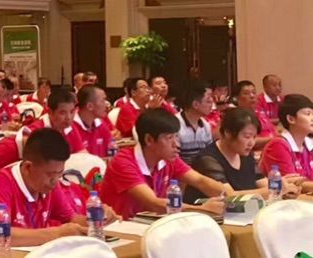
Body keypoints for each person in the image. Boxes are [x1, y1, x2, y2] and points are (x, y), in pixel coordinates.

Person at [0, 128, 87, 249]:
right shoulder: (1, 182)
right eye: (50, 174)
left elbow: (71, 219)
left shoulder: (50, 184)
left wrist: (93, 220)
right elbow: (1, 236)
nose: (55, 182)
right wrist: (58, 233)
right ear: (28, 167)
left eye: (60, 173)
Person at [99, 109, 228, 219]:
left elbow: (200, 180)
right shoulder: (123, 162)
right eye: (169, 138)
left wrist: (231, 197)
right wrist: (202, 210)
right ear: (149, 140)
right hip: (120, 229)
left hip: (153, 225)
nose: (177, 144)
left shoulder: (169, 158)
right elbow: (153, 203)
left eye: (176, 136)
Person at [186, 108, 301, 203]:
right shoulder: (207, 160)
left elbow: (263, 183)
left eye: (254, 137)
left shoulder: (246, 155)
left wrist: (286, 189)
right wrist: (274, 189)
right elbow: (229, 197)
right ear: (228, 133)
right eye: (247, 137)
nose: (251, 143)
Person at [260, 94, 313, 192]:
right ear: (291, 119)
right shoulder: (278, 146)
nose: (312, 118)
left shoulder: (309, 144)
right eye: (308, 114)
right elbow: (292, 184)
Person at [28, 87, 85, 152]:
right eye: (63, 113)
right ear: (50, 112)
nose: (68, 117)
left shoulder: (71, 128)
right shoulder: (35, 131)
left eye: (72, 112)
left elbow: (82, 152)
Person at [176, 82, 215, 164]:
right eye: (208, 101)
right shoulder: (176, 124)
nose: (212, 104)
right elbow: (173, 159)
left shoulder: (206, 125)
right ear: (195, 104)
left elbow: (210, 154)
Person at [73, 85, 113, 158]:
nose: (106, 105)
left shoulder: (101, 124)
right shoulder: (71, 128)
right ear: (90, 106)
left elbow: (113, 151)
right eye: (103, 101)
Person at [232, 80, 275, 147]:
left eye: (254, 92)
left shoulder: (260, 112)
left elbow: (272, 130)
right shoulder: (237, 117)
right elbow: (247, 141)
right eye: (246, 93)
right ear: (236, 98)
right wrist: (274, 139)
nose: (252, 96)